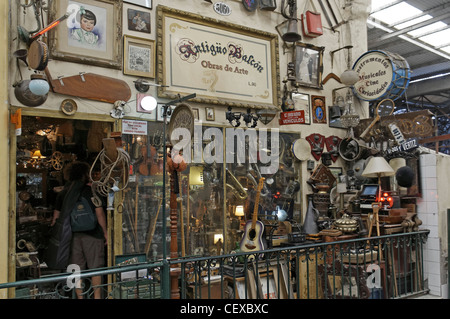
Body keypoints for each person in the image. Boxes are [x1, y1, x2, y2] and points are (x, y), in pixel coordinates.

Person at [50, 161, 107, 299]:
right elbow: (99, 213)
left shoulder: (63, 193)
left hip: (72, 237)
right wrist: (105, 232)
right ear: (86, 175)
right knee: (95, 268)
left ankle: (79, 297)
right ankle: (97, 296)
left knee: (75, 268)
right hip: (93, 235)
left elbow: (56, 219)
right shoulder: (91, 191)